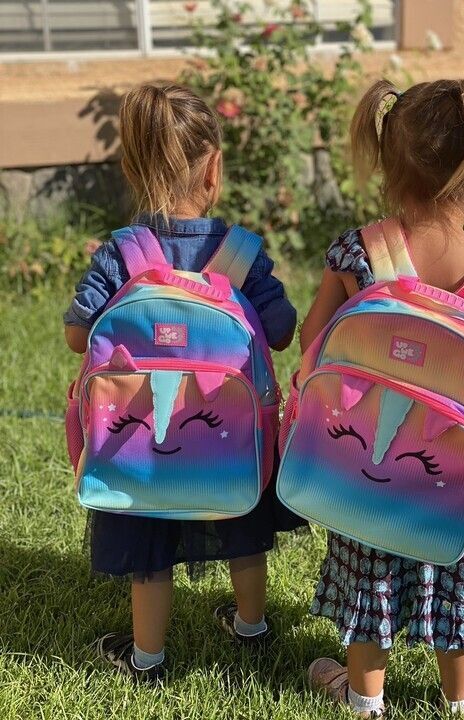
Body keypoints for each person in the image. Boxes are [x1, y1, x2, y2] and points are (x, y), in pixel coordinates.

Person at [301, 76, 464, 717]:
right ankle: (461, 696)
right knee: (457, 574)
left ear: (386, 165)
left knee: (370, 574)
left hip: (363, 468)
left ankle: (363, 695)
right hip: (456, 476)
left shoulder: (358, 252)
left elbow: (313, 340)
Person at [64, 82, 304, 683]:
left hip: (139, 447)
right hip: (229, 442)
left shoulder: (123, 253)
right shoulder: (240, 255)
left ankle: (147, 657)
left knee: (147, 543)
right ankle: (250, 625)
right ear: (214, 168)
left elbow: (77, 336)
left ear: (133, 168)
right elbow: (279, 332)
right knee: (244, 528)